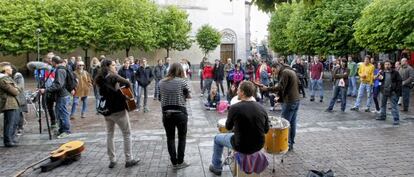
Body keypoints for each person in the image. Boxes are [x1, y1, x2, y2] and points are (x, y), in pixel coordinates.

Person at [209, 81, 269, 175]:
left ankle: (216, 167)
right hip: (258, 144)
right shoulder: (261, 108)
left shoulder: (234, 108)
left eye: (238, 90)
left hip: (241, 145)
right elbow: (266, 130)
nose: (236, 91)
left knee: (217, 139)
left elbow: (228, 127)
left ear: (243, 93)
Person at [95, 59, 140, 168]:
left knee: (110, 135)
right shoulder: (113, 76)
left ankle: (112, 160)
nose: (115, 67)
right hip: (118, 110)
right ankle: (129, 159)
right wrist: (129, 95)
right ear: (109, 66)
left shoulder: (99, 78)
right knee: (127, 134)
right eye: (114, 65)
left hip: (106, 111)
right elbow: (127, 82)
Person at [259, 63, 300, 150]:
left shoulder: (284, 72)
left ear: (277, 68)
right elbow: (287, 87)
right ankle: (290, 143)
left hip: (290, 101)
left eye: (273, 70)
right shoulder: (289, 70)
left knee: (285, 123)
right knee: (292, 123)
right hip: (295, 100)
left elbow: (281, 87)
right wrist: (280, 97)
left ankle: (287, 144)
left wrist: (267, 89)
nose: (273, 72)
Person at [159, 62, 191, 170]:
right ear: (180, 70)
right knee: (182, 138)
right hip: (180, 113)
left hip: (166, 114)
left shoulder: (161, 82)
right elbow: (188, 95)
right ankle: (180, 161)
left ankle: (174, 162)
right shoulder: (182, 82)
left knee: (170, 138)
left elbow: (160, 97)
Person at [39, 56, 72, 139]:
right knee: (59, 113)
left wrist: (46, 90)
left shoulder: (60, 70)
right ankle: (61, 130)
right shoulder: (61, 68)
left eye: (51, 61)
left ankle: (66, 131)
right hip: (61, 95)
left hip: (62, 95)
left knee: (63, 113)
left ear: (54, 62)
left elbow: (58, 84)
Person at [0, 62, 22, 147]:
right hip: (8, 103)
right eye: (10, 68)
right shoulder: (3, 79)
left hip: (13, 102)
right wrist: (16, 88)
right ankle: (8, 140)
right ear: (5, 70)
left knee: (15, 122)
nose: (12, 69)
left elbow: (16, 89)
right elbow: (15, 91)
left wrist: (16, 88)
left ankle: (11, 138)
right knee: (10, 122)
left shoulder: (8, 78)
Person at [376, 60, 402, 125]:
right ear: (384, 65)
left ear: (391, 65)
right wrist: (380, 78)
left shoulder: (395, 72)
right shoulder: (382, 72)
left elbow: (399, 82)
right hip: (384, 91)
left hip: (392, 91)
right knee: (382, 104)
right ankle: (382, 116)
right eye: (385, 64)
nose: (387, 66)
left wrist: (396, 90)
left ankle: (396, 119)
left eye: (388, 64)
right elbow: (381, 80)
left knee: (394, 106)